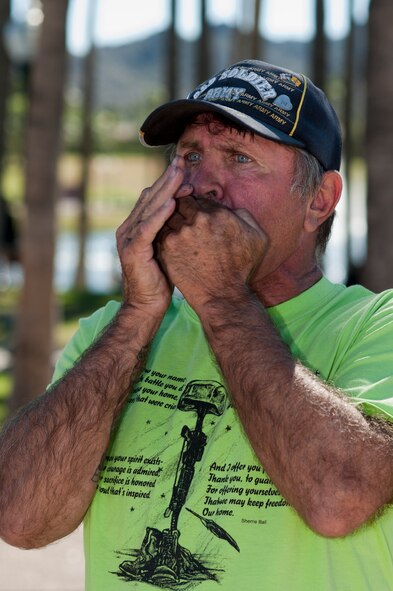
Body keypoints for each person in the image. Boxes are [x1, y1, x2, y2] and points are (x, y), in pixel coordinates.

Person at [1, 59, 393, 590]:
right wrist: (138, 313)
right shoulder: (111, 333)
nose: (203, 184)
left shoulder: (375, 326)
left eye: (238, 157)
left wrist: (222, 300)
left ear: (319, 201)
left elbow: (338, 497)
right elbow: (21, 519)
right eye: (189, 156)